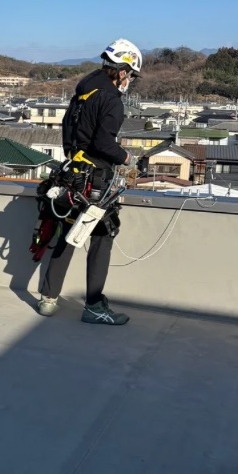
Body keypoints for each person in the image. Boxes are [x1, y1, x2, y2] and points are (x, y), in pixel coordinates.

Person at [37, 38, 142, 325]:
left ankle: (48, 298)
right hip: (95, 179)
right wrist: (127, 158)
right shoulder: (111, 100)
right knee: (102, 236)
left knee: (69, 234)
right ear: (122, 71)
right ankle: (94, 306)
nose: (130, 80)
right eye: (130, 74)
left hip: (72, 175)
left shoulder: (82, 94)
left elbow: (68, 136)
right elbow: (104, 143)